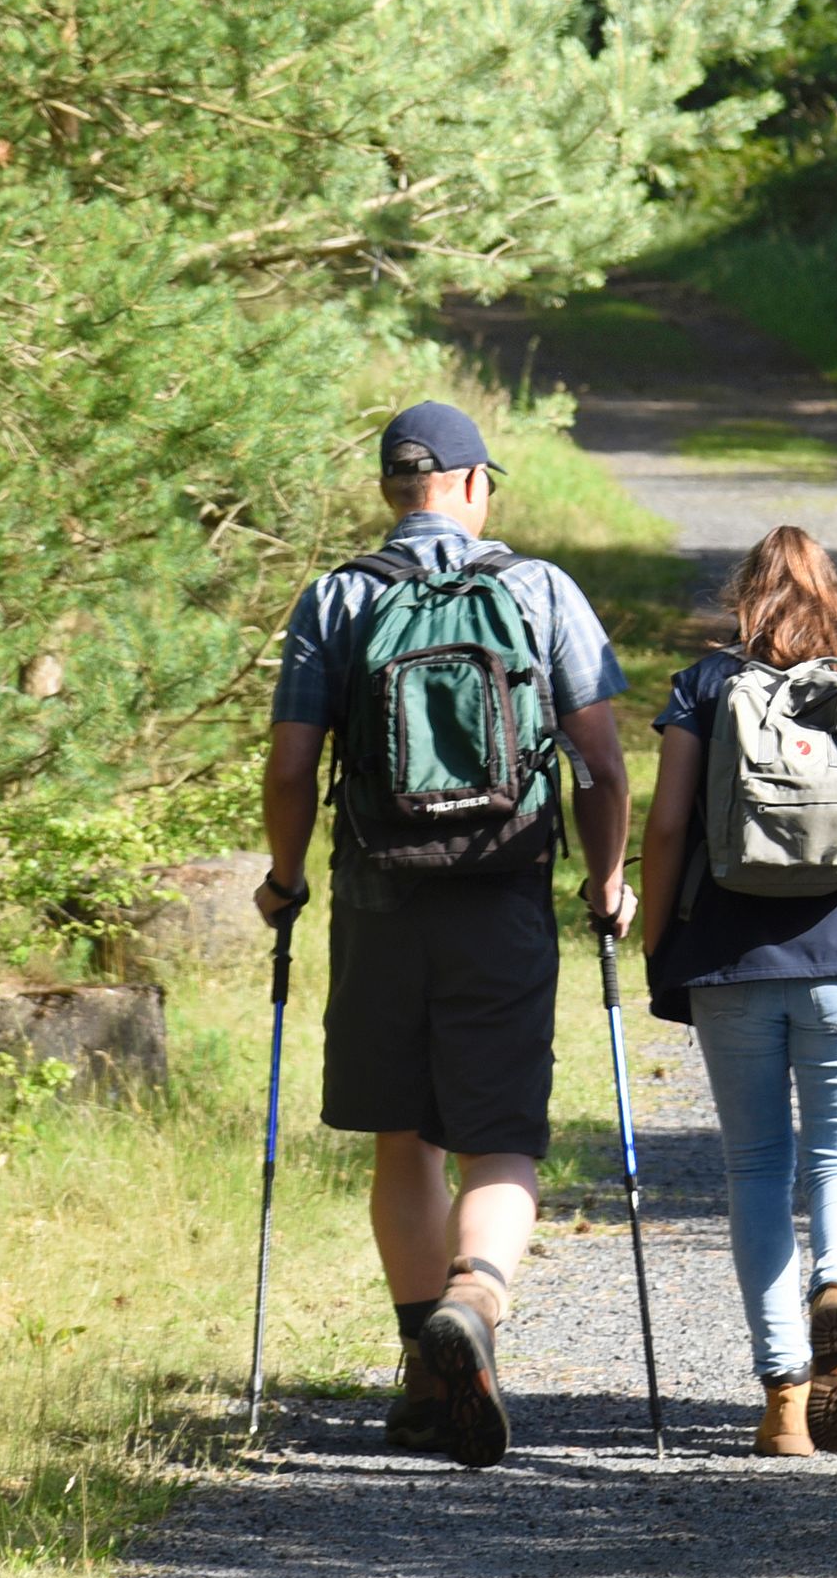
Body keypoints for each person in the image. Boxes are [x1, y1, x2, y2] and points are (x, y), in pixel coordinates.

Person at [257, 400, 631, 1470]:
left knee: (402, 1132)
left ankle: (427, 1370)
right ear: (472, 485)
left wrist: (285, 880)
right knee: (499, 1130)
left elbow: (291, 767)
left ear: (390, 490)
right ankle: (477, 1298)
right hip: (502, 892)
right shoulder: (540, 590)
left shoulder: (339, 597)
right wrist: (607, 881)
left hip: (377, 896)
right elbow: (602, 766)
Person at [638, 525, 837, 1457]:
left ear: (745, 597)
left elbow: (666, 826)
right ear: (833, 594)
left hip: (730, 962)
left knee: (757, 1170)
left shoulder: (704, 685)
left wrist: (661, 941)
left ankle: (783, 1399)